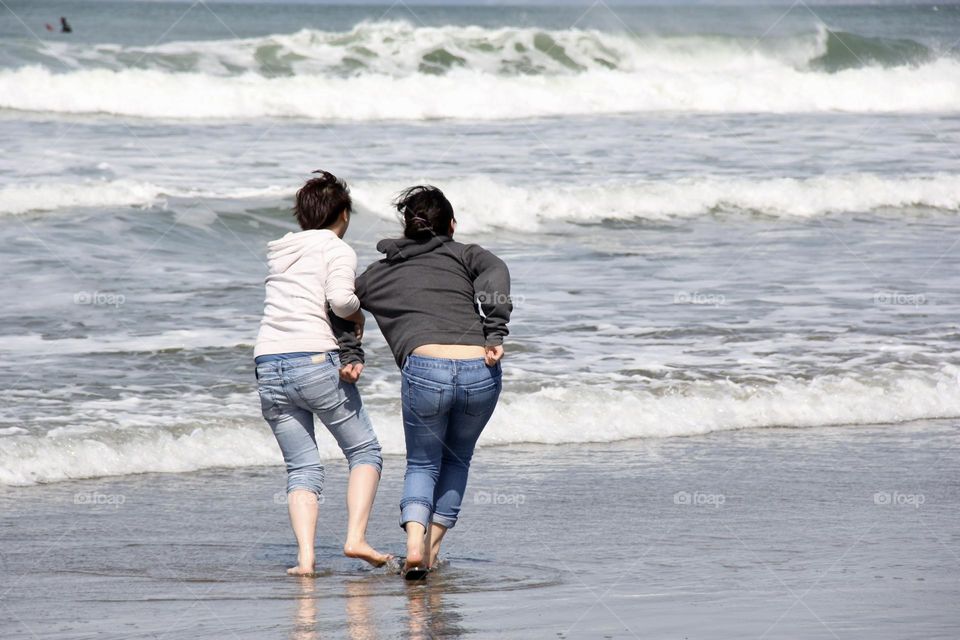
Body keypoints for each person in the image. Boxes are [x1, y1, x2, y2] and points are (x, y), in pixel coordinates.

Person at [347, 185, 512, 579]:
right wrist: (495, 330)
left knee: (422, 461)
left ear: (407, 227)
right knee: (457, 459)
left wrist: (350, 351)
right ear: (451, 225)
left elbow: (341, 303)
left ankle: (413, 545)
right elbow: (497, 270)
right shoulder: (464, 253)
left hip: (426, 367)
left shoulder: (378, 274)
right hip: (479, 366)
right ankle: (431, 551)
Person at [254, 171, 390, 575]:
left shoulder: (280, 251)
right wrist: (359, 315)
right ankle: (356, 539)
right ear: (343, 214)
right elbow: (340, 299)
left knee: (302, 467)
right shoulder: (336, 248)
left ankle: (306, 559)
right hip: (314, 360)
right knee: (364, 452)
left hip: (267, 363)